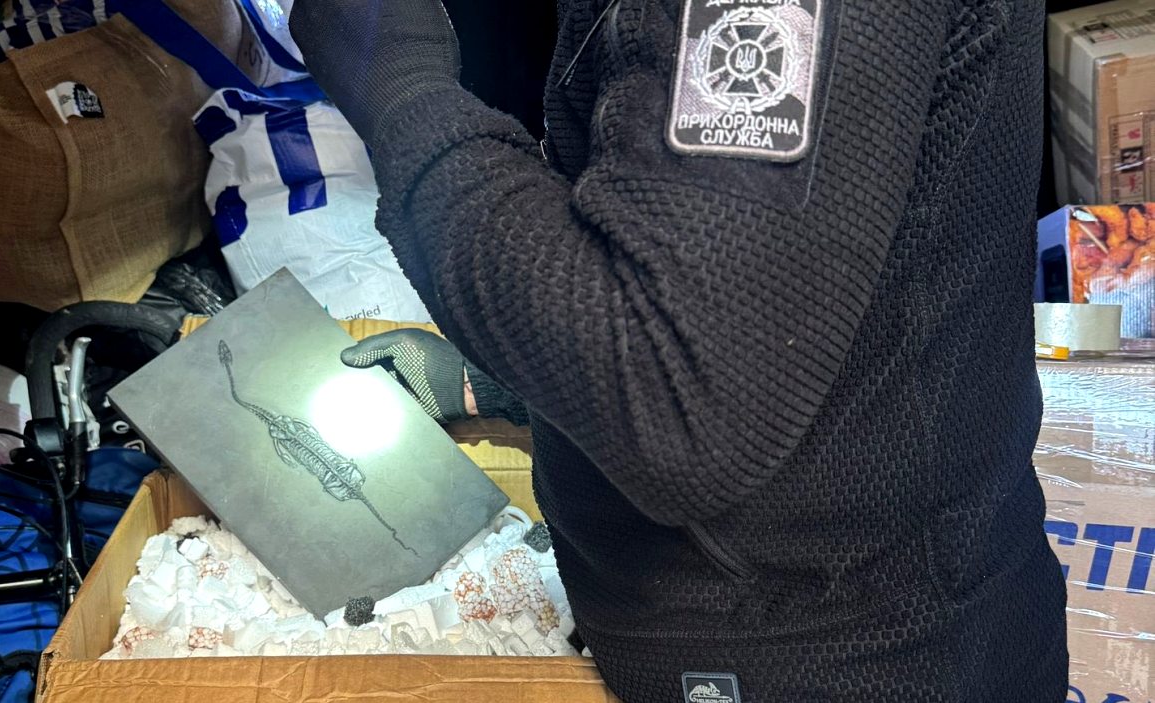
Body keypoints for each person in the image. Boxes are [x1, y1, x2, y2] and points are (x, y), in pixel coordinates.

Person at [289, 0, 1069, 699]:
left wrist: (398, 83)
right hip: (795, 622)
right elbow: (764, 264)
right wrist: (515, 381)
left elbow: (678, 402)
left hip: (831, 658)